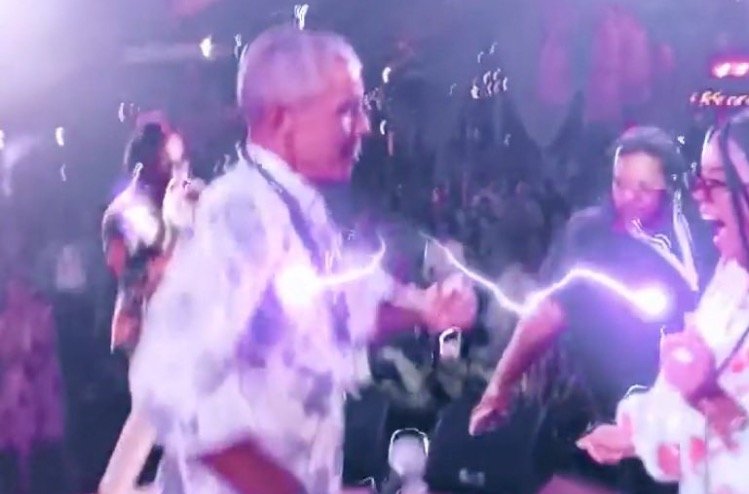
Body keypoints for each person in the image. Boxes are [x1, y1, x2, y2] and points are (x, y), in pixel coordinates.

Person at [129, 25, 477, 494]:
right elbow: (171, 378)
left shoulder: (299, 208)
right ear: (282, 119)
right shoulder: (243, 212)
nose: (365, 127)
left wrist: (424, 309)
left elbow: (333, 316)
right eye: (346, 111)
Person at [470, 126, 702, 492]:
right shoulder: (589, 235)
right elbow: (547, 315)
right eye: (620, 184)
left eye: (644, 189)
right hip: (609, 413)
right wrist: (500, 386)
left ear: (671, 189)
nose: (628, 198)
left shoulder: (699, 233)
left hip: (687, 418)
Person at [578, 110, 749, 493]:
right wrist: (637, 436)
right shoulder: (732, 276)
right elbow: (695, 428)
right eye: (699, 180)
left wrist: (710, 397)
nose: (699, 196)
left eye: (717, 182)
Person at [99, 122, 202, 494]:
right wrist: (180, 224)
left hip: (182, 329)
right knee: (155, 417)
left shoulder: (175, 203)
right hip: (145, 331)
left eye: (181, 162)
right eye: (169, 163)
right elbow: (140, 269)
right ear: (143, 166)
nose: (179, 171)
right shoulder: (126, 212)